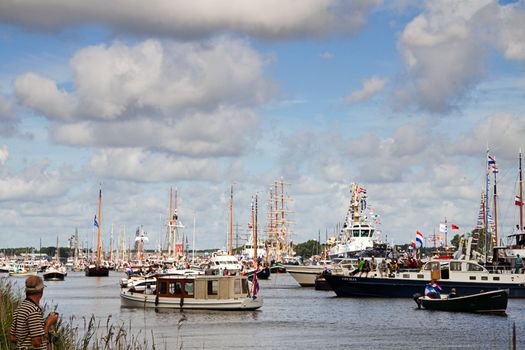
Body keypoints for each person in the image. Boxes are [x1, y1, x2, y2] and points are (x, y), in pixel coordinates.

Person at [8, 276, 59, 350]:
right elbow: (37, 342)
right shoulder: (33, 311)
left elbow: (12, 338)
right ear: (41, 290)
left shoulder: (20, 308)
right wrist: (48, 323)